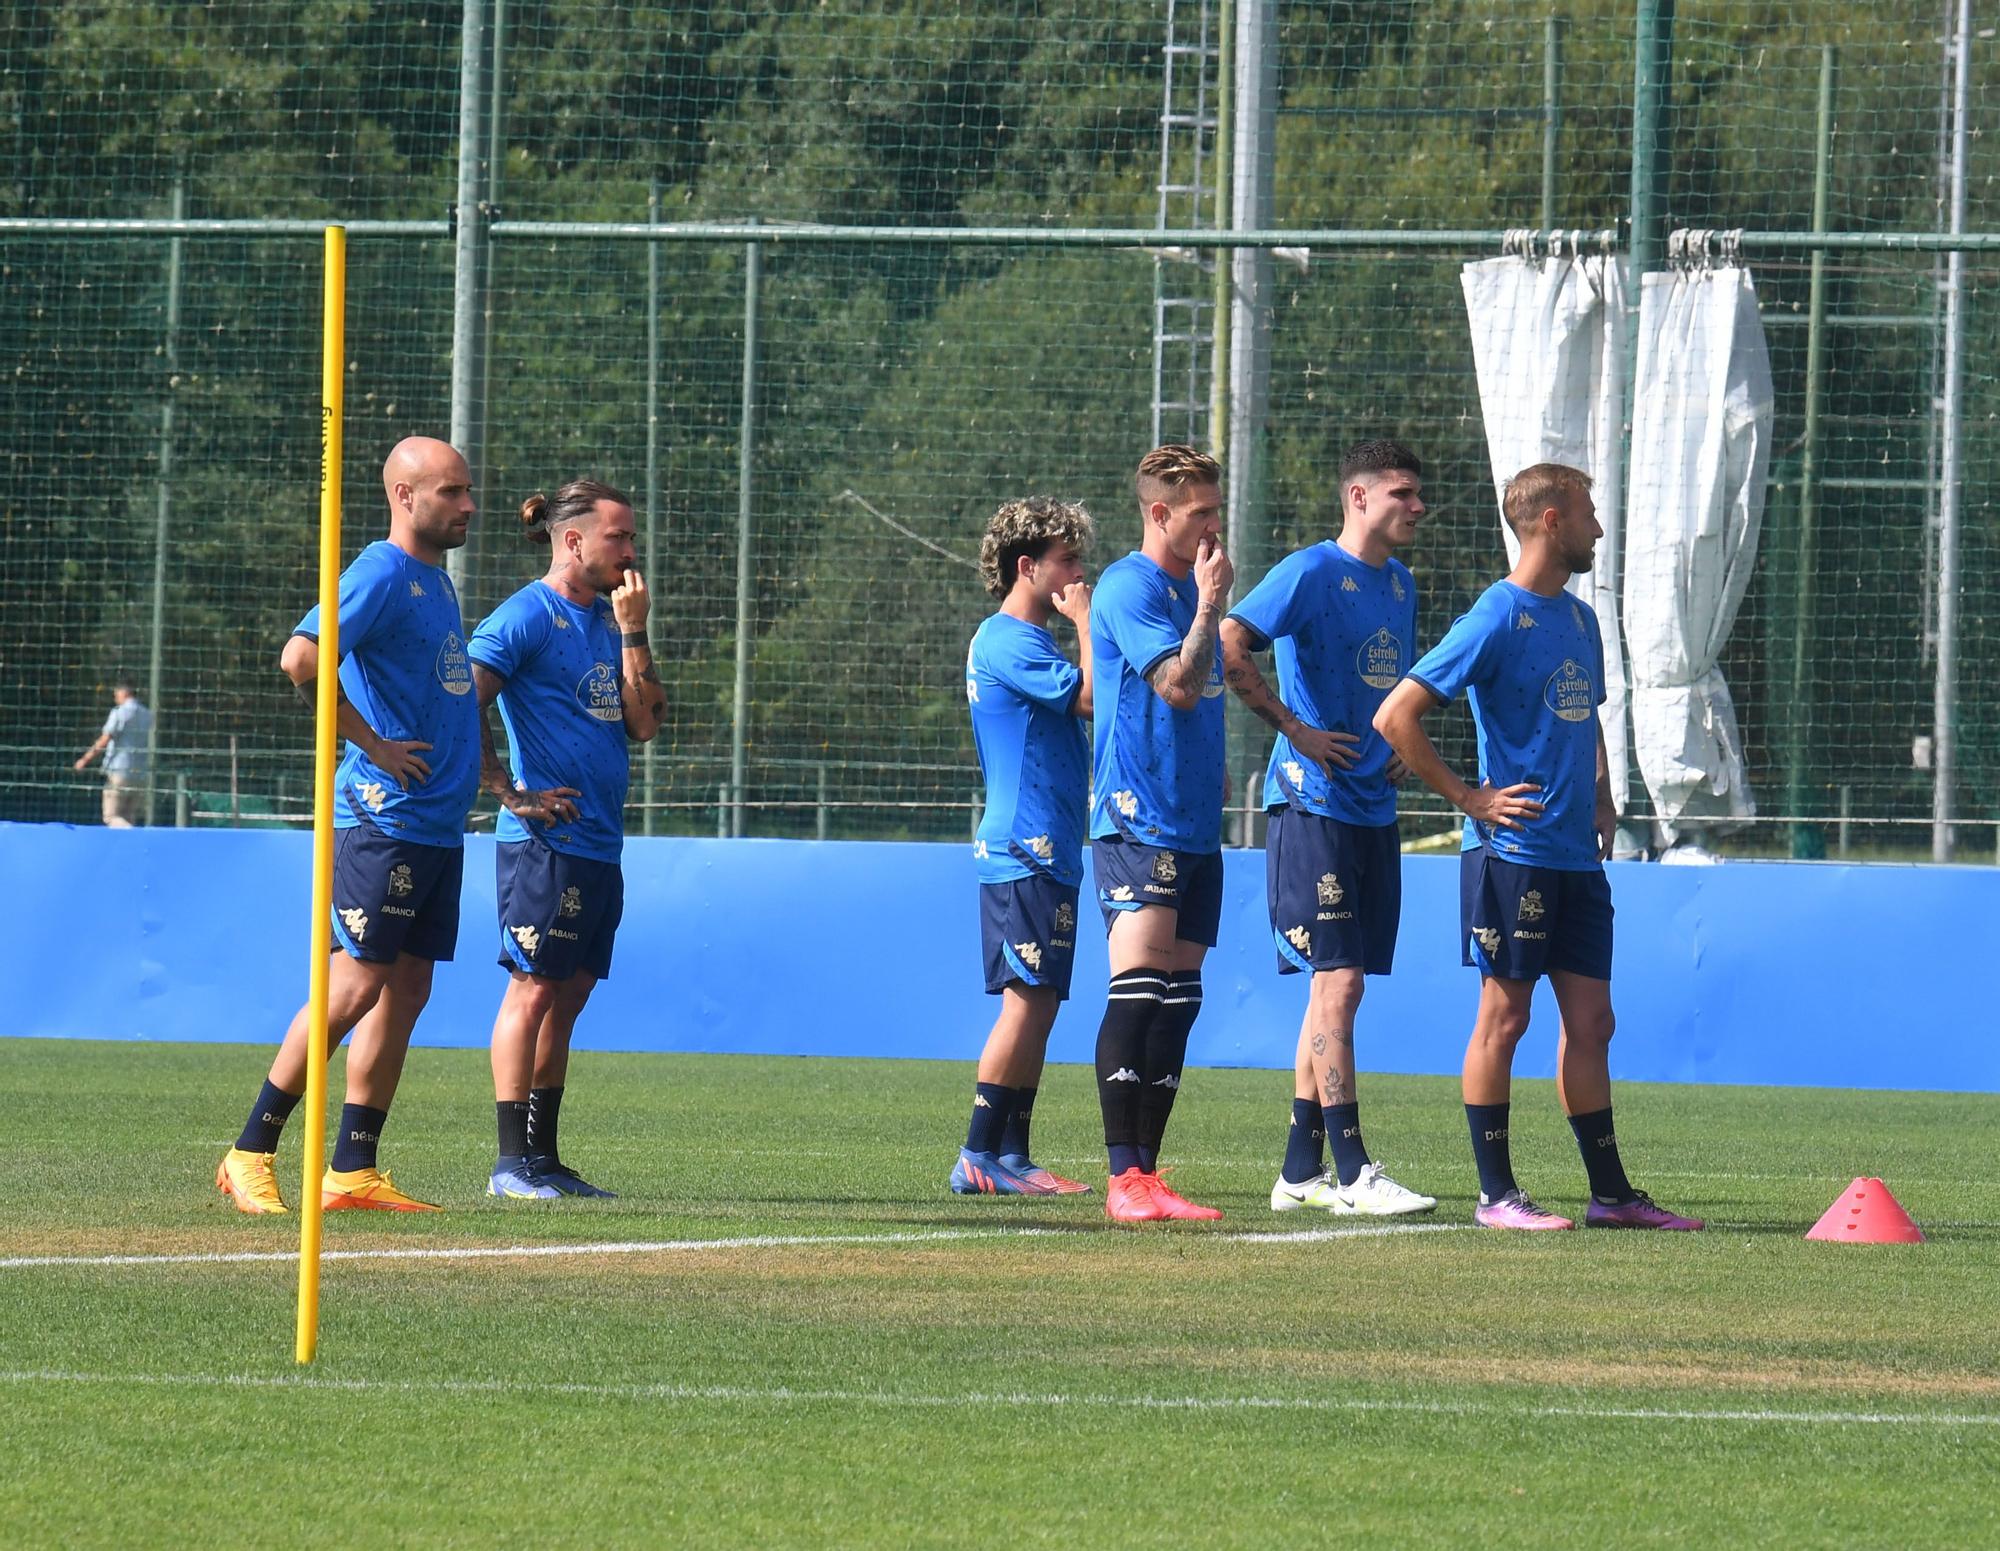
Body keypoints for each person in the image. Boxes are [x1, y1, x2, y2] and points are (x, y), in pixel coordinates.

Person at [1373, 462, 1702, 1231]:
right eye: (1587, 511)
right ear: (1550, 520)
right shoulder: (1496, 613)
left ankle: (1612, 1197)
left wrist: (1601, 790)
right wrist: (1471, 798)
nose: (1597, 526)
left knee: (1593, 1024)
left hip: (1574, 859)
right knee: (1506, 1016)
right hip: (1511, 855)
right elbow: (1398, 715)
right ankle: (1497, 1196)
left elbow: (1583, 716)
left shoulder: (1582, 619)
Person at [215, 436, 480, 1215]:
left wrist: (488, 774)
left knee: (407, 988)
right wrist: (373, 747)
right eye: (451, 492)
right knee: (354, 984)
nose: (468, 506)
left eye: (468, 492)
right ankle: (250, 1149)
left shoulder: (436, 582)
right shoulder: (382, 572)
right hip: (382, 819)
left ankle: (352, 1168)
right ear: (404, 496)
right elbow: (302, 659)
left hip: (434, 825)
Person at [1221, 439, 1437, 1218]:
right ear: (1358, 496)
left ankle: (1297, 1170)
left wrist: (1401, 750)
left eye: (1418, 496)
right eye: (1403, 493)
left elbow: (1390, 693)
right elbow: (1231, 641)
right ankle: (1353, 1171)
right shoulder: (1311, 571)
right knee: (1337, 982)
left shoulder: (1402, 586)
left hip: (1371, 807)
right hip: (1312, 805)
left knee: (1336, 990)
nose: (1417, 507)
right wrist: (1294, 727)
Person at [468, 480, 665, 1200]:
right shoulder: (526, 615)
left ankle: (544, 1158)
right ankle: (507, 1164)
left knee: (569, 994)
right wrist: (505, 790)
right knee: (532, 988)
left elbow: (644, 724)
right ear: (574, 540)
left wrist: (636, 630)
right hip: (542, 844)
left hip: (598, 844)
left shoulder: (613, 620)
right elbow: (464, 695)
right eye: (619, 537)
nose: (631, 551)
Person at [1088, 444, 1232, 1222]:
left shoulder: (1186, 587)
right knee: (1139, 990)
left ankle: (1148, 1171)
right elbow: (1178, 685)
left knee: (1179, 1000)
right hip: (1136, 820)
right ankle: (1121, 1176)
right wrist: (1210, 605)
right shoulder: (1129, 586)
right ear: (1157, 514)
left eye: (1216, 506)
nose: (1214, 523)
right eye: (1200, 511)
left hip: (1193, 824)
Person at [953, 496, 1096, 1197]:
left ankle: (1013, 1153)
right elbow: (1093, 698)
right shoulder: (1008, 639)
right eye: (1067, 560)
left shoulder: (1032, 642)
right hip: (1024, 845)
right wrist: (1088, 621)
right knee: (1023, 999)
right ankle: (978, 1151)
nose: (1078, 572)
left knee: (1040, 1000)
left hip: (1053, 847)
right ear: (1027, 566)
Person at [74, 676, 153, 827]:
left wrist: (84, 760)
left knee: (111, 816)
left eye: (116, 693)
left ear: (124, 692)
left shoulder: (120, 712)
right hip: (140, 773)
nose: (115, 696)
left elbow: (105, 739)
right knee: (129, 815)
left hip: (119, 771)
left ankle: (131, 833)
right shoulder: (147, 714)